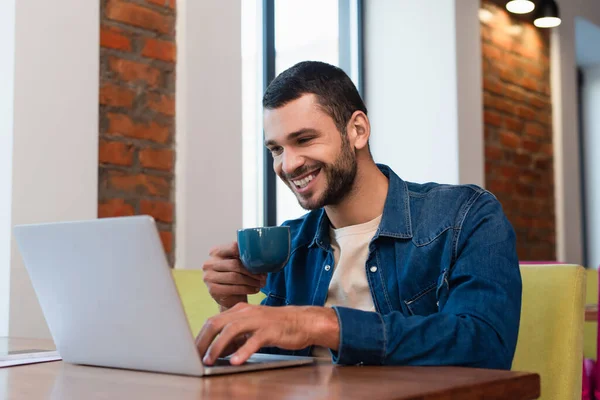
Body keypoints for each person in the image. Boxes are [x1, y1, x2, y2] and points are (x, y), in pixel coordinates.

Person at [195, 61, 521, 369]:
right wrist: (234, 306)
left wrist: (319, 323)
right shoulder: (291, 243)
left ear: (358, 130)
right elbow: (264, 371)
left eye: (304, 139)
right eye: (276, 149)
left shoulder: (464, 215)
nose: (288, 164)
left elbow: (485, 346)